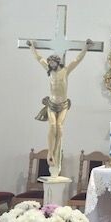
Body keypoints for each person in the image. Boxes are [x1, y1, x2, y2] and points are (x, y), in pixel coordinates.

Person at [27, 38, 93, 176]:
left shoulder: (65, 71)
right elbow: (38, 58)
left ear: (57, 62)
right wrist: (32, 46)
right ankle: (50, 152)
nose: (50, 64)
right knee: (52, 126)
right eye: (49, 62)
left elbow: (77, 60)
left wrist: (85, 47)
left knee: (59, 127)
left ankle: (56, 151)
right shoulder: (49, 71)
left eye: (52, 62)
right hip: (52, 103)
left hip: (63, 104)